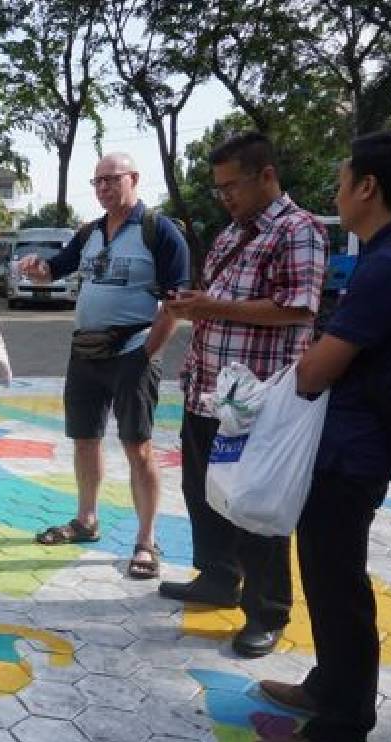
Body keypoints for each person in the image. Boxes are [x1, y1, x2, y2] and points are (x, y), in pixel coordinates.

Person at [252, 131, 391, 742]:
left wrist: (311, 359)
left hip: (354, 453)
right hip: (351, 446)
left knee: (338, 583)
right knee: (328, 572)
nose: (336, 191)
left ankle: (341, 736)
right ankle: (328, 685)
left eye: (341, 179)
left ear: (368, 188)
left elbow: (315, 371)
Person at [161, 132, 328, 658]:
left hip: (256, 403)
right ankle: (216, 577)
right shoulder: (236, 232)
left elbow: (299, 307)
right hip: (208, 391)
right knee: (203, 493)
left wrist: (209, 307)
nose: (225, 196)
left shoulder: (297, 230)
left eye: (232, 185)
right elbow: (221, 301)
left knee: (255, 506)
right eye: (219, 188)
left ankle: (267, 610)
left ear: (267, 176)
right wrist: (196, 305)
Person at [20, 152, 188, 579]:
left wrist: (147, 352)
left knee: (138, 446)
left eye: (111, 180)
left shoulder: (160, 231)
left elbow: (176, 303)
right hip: (86, 353)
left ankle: (146, 540)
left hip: (133, 351)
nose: (103, 188)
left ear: (134, 178)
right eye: (97, 182)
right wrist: (37, 269)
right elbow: (54, 270)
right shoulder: (90, 233)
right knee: (85, 439)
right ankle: (86, 520)